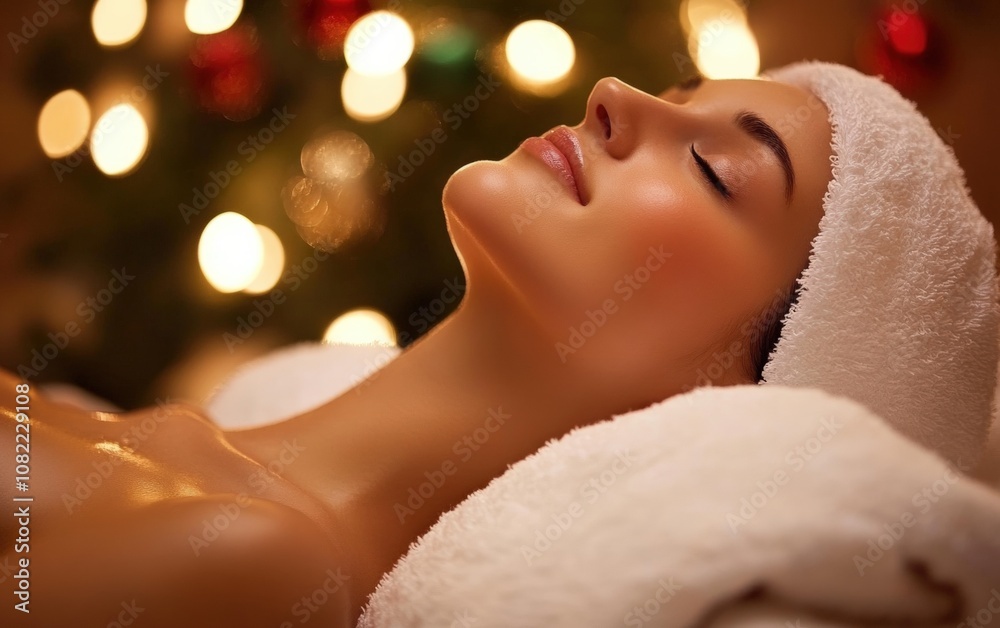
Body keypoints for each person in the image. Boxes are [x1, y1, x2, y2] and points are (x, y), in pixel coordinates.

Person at [3, 59, 986, 626]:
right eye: (677, 88)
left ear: (745, 401)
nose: (615, 95)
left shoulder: (258, 564)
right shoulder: (192, 453)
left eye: (713, 168)